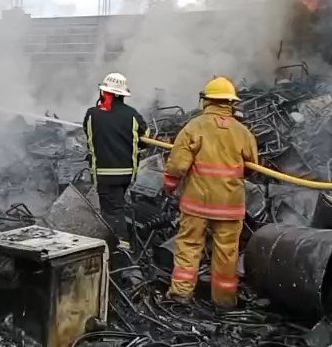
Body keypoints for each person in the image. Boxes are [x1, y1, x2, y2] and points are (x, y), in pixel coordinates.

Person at [163, 77, 258, 311]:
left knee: (189, 246)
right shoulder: (243, 132)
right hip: (230, 206)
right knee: (227, 254)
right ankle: (224, 301)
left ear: (206, 101)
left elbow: (177, 165)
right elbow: (253, 167)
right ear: (230, 103)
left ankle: (180, 295)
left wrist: (170, 185)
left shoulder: (194, 127)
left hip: (197, 204)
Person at [83, 72, 148, 249]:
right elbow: (145, 138)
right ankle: (118, 242)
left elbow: (90, 137)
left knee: (112, 211)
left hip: (104, 175)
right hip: (127, 173)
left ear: (104, 92)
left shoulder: (92, 115)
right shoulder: (132, 115)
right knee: (118, 205)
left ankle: (120, 248)